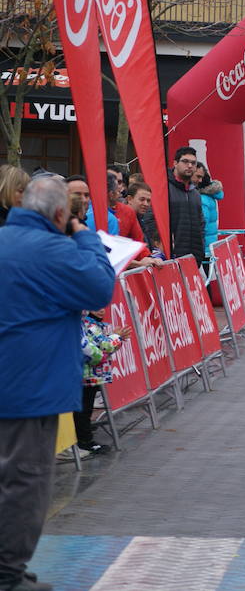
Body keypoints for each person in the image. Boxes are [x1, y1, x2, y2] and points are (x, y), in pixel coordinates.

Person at [0, 175, 115, 591]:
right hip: (29, 390)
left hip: (14, 381)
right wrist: (83, 236)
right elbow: (100, 287)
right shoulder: (53, 250)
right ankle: (8, 573)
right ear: (60, 214)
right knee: (25, 482)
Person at [77, 308, 130, 455]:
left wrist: (114, 338)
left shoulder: (91, 324)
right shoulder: (89, 325)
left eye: (102, 307)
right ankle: (85, 441)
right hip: (87, 375)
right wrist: (117, 337)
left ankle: (84, 438)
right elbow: (104, 346)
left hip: (90, 375)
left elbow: (104, 346)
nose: (101, 311)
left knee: (85, 408)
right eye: (95, 307)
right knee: (84, 409)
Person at [168, 146, 205, 265]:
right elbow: (152, 221)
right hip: (170, 258)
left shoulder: (195, 194)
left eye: (193, 163)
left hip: (194, 258)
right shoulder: (164, 189)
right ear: (175, 163)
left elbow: (201, 224)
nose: (189, 165)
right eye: (185, 161)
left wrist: (201, 250)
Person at [192, 162, 224, 256]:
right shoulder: (209, 196)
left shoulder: (201, 199)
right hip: (210, 244)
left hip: (204, 247)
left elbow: (203, 224)